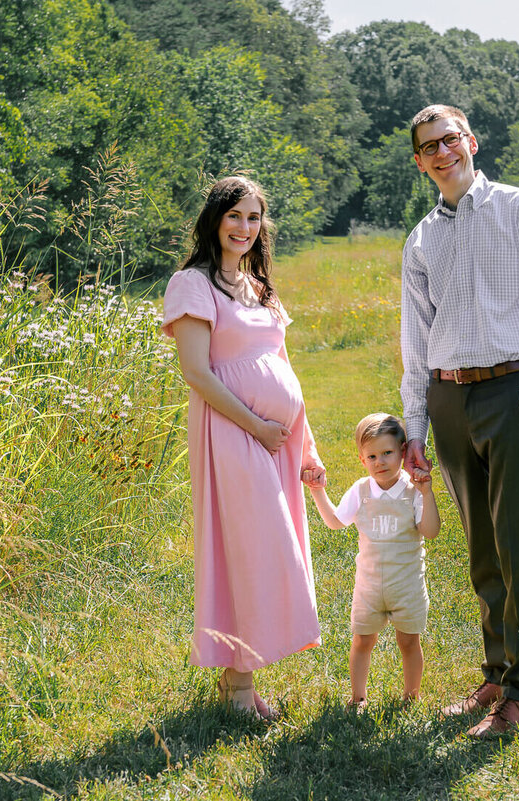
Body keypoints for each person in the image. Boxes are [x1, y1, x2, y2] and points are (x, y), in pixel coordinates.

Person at [400, 105, 519, 738]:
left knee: (518, 546)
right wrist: (416, 427)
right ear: (420, 162)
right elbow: (416, 346)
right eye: (428, 147)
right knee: (482, 549)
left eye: (449, 139)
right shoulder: (422, 239)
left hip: (513, 394)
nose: (441, 152)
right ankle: (496, 675)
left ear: (470, 142)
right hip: (450, 401)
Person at [161, 176, 326, 721]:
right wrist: (257, 426)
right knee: (251, 553)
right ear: (214, 219)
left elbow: (284, 370)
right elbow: (197, 374)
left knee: (266, 553)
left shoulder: (258, 287)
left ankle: (242, 683)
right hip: (233, 433)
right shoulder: (192, 284)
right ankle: (238, 690)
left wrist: (306, 446)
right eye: (234, 216)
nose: (244, 227)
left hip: (276, 441)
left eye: (253, 218)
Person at [308, 413, 440, 710]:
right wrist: (318, 491)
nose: (380, 462)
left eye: (387, 453)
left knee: (408, 641)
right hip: (369, 586)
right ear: (361, 459)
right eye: (372, 456)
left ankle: (411, 696)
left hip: (406, 585)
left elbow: (430, 531)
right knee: (362, 641)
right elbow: (335, 521)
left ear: (403, 452)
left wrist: (427, 493)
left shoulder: (412, 491)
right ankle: (358, 697)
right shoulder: (361, 490)